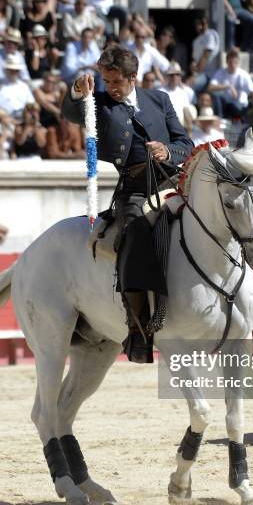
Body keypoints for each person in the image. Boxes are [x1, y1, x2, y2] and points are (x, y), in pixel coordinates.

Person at [62, 45, 194, 363]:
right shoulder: (102, 104)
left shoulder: (159, 99)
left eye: (115, 81)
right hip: (134, 190)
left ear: (133, 77)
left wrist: (167, 151)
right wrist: (77, 92)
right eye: (106, 81)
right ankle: (138, 328)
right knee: (135, 234)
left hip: (173, 183)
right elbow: (70, 113)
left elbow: (185, 143)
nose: (110, 87)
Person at [209, 47, 253, 119]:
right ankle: (220, 120)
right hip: (225, 104)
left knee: (236, 106)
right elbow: (210, 87)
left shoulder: (243, 74)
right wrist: (229, 86)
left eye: (235, 62)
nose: (232, 65)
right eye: (230, 62)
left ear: (238, 62)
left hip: (239, 106)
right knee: (216, 96)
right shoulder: (220, 72)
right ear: (226, 62)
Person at [158, 62, 194, 132]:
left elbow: (186, 111)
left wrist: (189, 130)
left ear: (180, 76)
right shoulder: (160, 91)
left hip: (181, 128)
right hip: (166, 128)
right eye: (172, 75)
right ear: (168, 76)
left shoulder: (183, 92)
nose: (175, 77)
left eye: (177, 75)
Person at [191, 15, 220, 93]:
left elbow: (206, 56)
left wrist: (196, 73)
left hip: (210, 75)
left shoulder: (211, 35)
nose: (200, 26)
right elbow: (194, 60)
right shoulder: (195, 41)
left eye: (202, 23)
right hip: (198, 73)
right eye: (197, 24)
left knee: (192, 84)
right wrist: (193, 70)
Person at [0, 53, 35, 119]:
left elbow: (31, 103)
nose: (13, 72)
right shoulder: (1, 85)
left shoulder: (24, 86)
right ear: (6, 70)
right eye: (11, 70)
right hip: (4, 119)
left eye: (16, 70)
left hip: (23, 118)